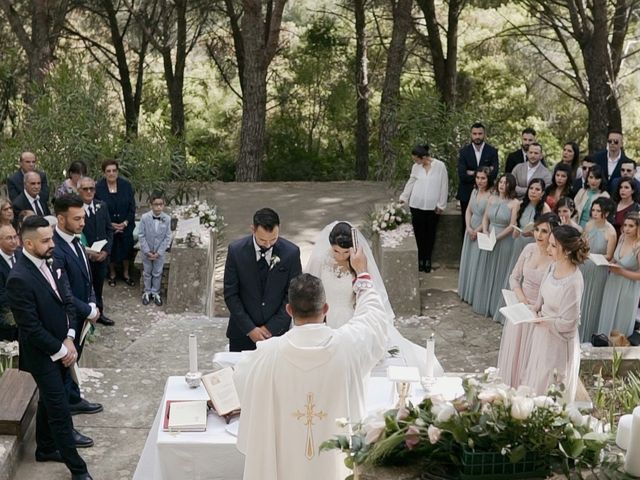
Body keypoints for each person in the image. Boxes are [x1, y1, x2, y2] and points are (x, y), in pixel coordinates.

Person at [233, 251, 387, 480]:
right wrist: (362, 273)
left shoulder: (267, 355)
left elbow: (241, 380)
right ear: (326, 309)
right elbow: (374, 320)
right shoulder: (349, 346)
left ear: (289, 310)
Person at [6, 215, 93, 480]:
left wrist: (69, 337)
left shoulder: (52, 260)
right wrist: (61, 350)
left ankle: (44, 448)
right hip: (42, 355)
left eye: (51, 237)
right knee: (58, 409)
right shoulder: (18, 279)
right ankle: (78, 470)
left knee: (49, 401)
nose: (52, 243)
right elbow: (30, 328)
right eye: (45, 240)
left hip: (62, 345)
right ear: (28, 244)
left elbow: (67, 301)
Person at [305, 221, 443, 377]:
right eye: (337, 251)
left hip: (350, 318)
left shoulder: (357, 264)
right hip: (326, 318)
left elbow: (367, 291)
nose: (341, 256)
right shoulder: (321, 261)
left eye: (345, 253)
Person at [52, 194, 103, 443]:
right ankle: (64, 430)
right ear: (61, 219)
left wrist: (93, 302)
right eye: (77, 218)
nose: (83, 222)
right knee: (61, 378)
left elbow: (86, 277)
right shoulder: (56, 250)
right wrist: (88, 311)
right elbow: (65, 293)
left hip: (82, 316)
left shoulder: (77, 241)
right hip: (67, 321)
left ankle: (74, 399)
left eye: (83, 217)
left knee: (74, 366)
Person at [520, 225, 588, 402]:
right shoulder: (552, 266)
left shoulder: (573, 282)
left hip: (558, 343)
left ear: (566, 251)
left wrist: (544, 321)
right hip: (541, 333)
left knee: (550, 385)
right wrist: (535, 308)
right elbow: (543, 291)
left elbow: (568, 325)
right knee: (535, 376)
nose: (548, 249)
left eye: (553, 246)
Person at [224, 208, 302, 352]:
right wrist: (250, 329)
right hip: (242, 332)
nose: (268, 244)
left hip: (277, 334)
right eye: (262, 240)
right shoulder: (236, 251)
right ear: (253, 229)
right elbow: (231, 294)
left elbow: (292, 296)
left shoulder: (291, 253)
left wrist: (270, 328)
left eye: (273, 239)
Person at [496, 213, 558, 387]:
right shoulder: (528, 249)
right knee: (515, 352)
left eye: (544, 231)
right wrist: (521, 299)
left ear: (553, 234)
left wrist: (535, 307)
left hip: (539, 313)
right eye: (537, 229)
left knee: (531, 355)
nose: (539, 234)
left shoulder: (555, 259)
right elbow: (514, 277)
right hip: (520, 308)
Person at [472, 173, 519, 317]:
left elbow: (512, 225)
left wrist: (497, 237)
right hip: (489, 237)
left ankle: (495, 306)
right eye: (500, 182)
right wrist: (486, 231)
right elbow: (485, 217)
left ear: (510, 185)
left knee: (500, 270)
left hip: (504, 240)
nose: (502, 185)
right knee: (485, 268)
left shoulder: (515, 203)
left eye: (505, 183)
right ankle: (483, 301)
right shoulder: (491, 198)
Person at [399, 144, 449, 272]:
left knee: (430, 235)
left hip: (432, 208)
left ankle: (427, 260)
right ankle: (420, 260)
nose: (415, 162)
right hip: (416, 205)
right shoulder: (416, 168)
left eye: (417, 159)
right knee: (419, 235)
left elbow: (444, 185)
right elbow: (411, 182)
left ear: (424, 157)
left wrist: (441, 204)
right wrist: (404, 197)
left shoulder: (440, 166)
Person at [579, 198, 617, 343]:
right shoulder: (588, 225)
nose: (594, 213)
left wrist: (592, 255)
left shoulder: (611, 232)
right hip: (584, 266)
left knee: (592, 302)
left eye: (598, 211)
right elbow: (581, 243)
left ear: (606, 213)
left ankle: (588, 335)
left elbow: (609, 255)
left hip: (598, 269)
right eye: (593, 210)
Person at [597, 211, 640, 337]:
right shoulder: (622, 238)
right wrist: (607, 263)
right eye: (625, 225)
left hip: (628, 288)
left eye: (631, 226)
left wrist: (621, 272)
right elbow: (616, 259)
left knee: (621, 321)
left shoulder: (638, 247)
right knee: (607, 314)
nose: (626, 229)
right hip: (612, 284)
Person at [78, 177, 114, 326]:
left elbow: (109, 230)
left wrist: (106, 252)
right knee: (84, 288)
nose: (89, 191)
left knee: (98, 287)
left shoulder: (101, 206)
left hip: (101, 257)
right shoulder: (75, 209)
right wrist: (87, 253)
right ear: (79, 191)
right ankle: (84, 316)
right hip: (84, 258)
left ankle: (99, 313)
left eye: (91, 188)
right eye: (85, 189)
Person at [95, 159, 136, 286]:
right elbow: (97, 208)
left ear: (117, 171)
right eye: (108, 171)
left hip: (125, 225)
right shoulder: (98, 188)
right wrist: (110, 225)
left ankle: (126, 273)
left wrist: (125, 223)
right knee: (110, 248)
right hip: (107, 225)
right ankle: (112, 273)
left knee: (126, 246)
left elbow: (132, 207)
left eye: (114, 170)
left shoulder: (126, 185)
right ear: (104, 173)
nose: (111, 173)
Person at [456, 122, 499, 236]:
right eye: (474, 134)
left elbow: (493, 174)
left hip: (487, 194)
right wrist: (484, 172)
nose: (477, 136)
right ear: (471, 134)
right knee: (465, 225)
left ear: (484, 134)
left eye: (480, 133)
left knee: (486, 223)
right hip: (466, 192)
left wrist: (471, 172)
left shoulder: (492, 151)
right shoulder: (464, 151)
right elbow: (462, 175)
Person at [504, 178, 551, 280]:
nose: (533, 191)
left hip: (534, 245)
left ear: (542, 193)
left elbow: (549, 232)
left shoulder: (545, 209)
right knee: (515, 271)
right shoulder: (520, 204)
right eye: (531, 188)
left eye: (537, 189)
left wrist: (533, 234)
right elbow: (515, 225)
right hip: (518, 243)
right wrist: (515, 231)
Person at [458, 168, 493, 303]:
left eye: (483, 178)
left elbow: (487, 216)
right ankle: (465, 291)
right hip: (470, 228)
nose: (480, 181)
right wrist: (468, 227)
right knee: (468, 260)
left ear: (488, 179)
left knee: (477, 262)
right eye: (478, 178)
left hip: (482, 229)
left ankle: (475, 294)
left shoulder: (492, 195)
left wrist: (477, 231)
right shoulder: (474, 191)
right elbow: (468, 210)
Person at [138, 192, 172, 306]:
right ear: (151, 205)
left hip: (159, 253)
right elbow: (141, 235)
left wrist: (159, 252)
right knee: (147, 272)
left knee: (157, 272)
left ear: (164, 205)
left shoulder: (167, 219)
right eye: (155, 204)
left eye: (160, 204)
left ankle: (155, 292)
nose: (158, 207)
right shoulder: (145, 217)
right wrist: (147, 251)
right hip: (146, 251)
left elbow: (167, 237)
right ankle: (147, 291)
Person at [0, 224, 20, 341]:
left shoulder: (21, 255)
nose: (13, 241)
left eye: (15, 237)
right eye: (9, 238)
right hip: (6, 320)